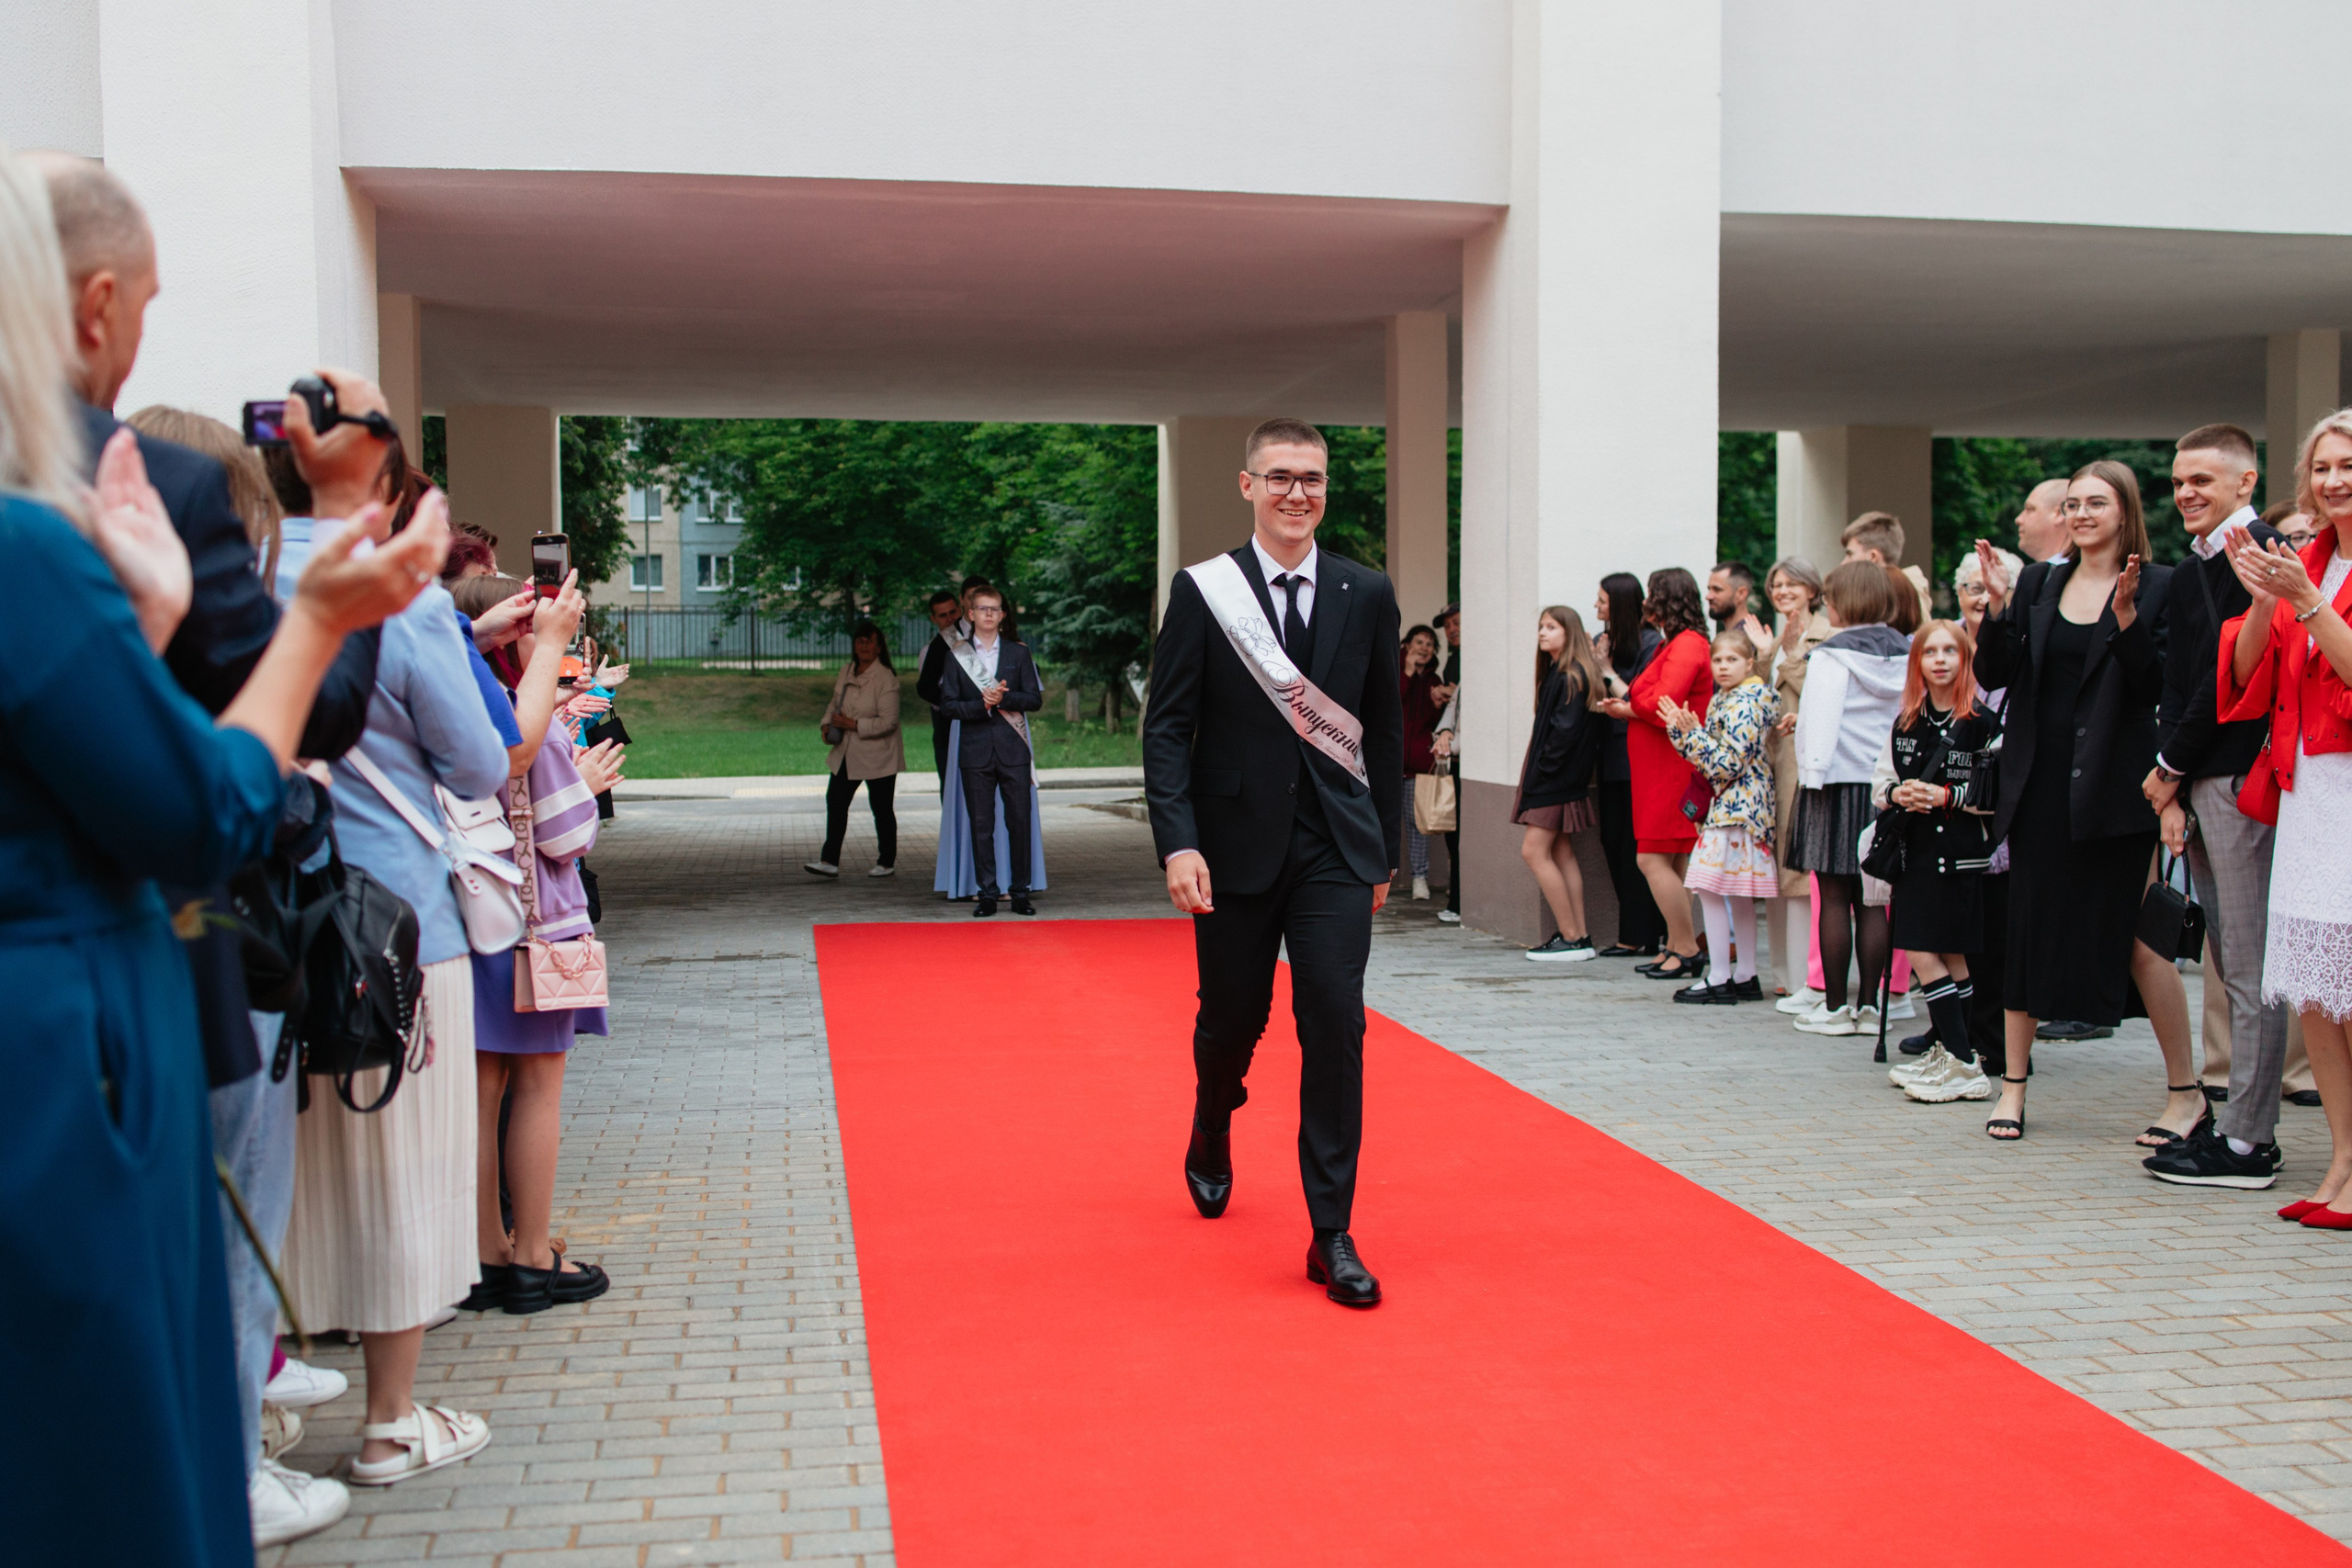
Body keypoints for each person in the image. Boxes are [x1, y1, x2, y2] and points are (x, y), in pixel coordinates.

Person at [0, 141, 453, 1564]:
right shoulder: (35, 543)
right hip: (69, 1040)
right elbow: (195, 802)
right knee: (105, 1429)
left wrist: (139, 634)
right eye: (143, 303)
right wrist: (321, 606)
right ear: (93, 307)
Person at [277, 374, 514, 1485]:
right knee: (401, 1161)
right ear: (376, 473)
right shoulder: (399, 598)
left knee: (281, 1161)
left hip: (265, 910)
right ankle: (388, 1417)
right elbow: (475, 759)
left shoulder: (232, 575)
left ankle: (264, 1399)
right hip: (392, 923)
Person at [1143, 416, 1403, 1307]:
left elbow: (1384, 731)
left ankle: (1330, 1231)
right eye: (1282, 476)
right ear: (1248, 485)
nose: (1300, 493)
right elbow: (1168, 727)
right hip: (1231, 848)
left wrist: (1387, 852)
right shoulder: (1205, 592)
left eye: (1314, 479)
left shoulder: (1364, 592)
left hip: (1333, 847)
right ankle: (1213, 1114)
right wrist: (1177, 840)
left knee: (1335, 1020)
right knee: (1232, 1021)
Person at [1972, 460, 2187, 1145]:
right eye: (2073, 503)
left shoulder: (2160, 585)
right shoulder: (2040, 580)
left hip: (2116, 789)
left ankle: (2186, 1092)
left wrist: (2123, 620)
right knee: (2027, 931)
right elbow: (1996, 675)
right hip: (2038, 783)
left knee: (2140, 939)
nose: (2084, 513)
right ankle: (2012, 1087)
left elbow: (2161, 686)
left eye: (2098, 502)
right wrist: (1999, 610)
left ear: (2125, 511)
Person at [445, 573, 620, 1314]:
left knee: (483, 1096)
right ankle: (531, 1252)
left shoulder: (455, 710)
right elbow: (564, 833)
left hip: (471, 921)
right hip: (538, 928)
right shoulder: (534, 722)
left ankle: (484, 1251)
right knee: (538, 1091)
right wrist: (581, 781)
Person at [2142, 426, 2295, 1188]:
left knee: (2250, 965)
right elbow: (2187, 675)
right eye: (2177, 482)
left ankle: (2248, 1143)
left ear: (2247, 481)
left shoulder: (2260, 554)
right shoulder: (2208, 559)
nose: (2186, 493)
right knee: (2233, 959)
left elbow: (2233, 684)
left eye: (2203, 479)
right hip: (2203, 781)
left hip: (2236, 779)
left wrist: (2169, 767)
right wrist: (2175, 785)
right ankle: (2236, 1130)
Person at [2219, 409, 2352, 1225]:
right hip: (2310, 795)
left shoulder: (2315, 576)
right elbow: (2243, 680)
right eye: (2325, 466)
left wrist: (2304, 601)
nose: (2336, 479)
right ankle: (2342, 1157)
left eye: (2350, 464)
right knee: (2316, 995)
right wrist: (2269, 602)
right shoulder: (2310, 558)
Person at [1874, 621, 2001, 1103]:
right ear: (1918, 662)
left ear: (1965, 659)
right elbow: (1878, 784)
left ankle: (1963, 1061)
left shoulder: (1985, 724)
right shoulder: (1905, 722)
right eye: (1931, 651)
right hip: (1914, 853)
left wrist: (1948, 796)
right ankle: (1955, 1056)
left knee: (1930, 951)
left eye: (1951, 650)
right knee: (1944, 955)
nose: (1941, 659)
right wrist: (1898, 793)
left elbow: (1998, 797)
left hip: (1962, 856)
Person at [1785, 562, 1910, 1036]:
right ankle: (1872, 1007)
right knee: (1875, 900)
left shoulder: (1832, 656)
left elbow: (1818, 723)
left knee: (1835, 897)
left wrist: (1811, 776)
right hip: (1886, 787)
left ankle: (1835, 1008)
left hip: (1835, 784)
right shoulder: (1909, 649)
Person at [1596, 567, 1712, 981]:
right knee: (1671, 860)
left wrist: (1630, 707)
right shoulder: (1672, 643)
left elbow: (1660, 700)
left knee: (1650, 858)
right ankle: (1676, 945)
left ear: (1666, 600)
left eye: (1653, 596)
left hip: (1670, 766)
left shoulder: (1688, 645)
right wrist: (1633, 704)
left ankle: (1684, 946)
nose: (1645, 604)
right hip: (1659, 764)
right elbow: (1643, 693)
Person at [1659, 627, 1781, 1003]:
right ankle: (1744, 975)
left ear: (1749, 663)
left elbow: (1726, 763)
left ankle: (1720, 976)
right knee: (1737, 894)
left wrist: (1691, 733)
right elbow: (1711, 756)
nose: (1723, 667)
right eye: (1718, 660)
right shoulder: (1728, 698)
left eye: (1731, 660)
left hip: (1736, 810)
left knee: (1710, 888)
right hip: (1738, 809)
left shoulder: (1743, 703)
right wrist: (1684, 732)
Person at [1950, 546, 2024, 1079]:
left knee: (1997, 930)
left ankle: (1996, 1041)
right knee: (1953, 925)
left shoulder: (2020, 639)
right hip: (1950, 801)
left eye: (1989, 587)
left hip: (2003, 802)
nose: (1980, 596)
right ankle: (1950, 1028)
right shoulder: (1945, 642)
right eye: (1970, 588)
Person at [935, 586, 1043, 915]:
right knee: (981, 824)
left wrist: (1004, 699)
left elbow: (1034, 700)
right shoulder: (957, 654)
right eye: (982, 609)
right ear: (971, 614)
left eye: (995, 609)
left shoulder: (1018, 654)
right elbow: (948, 705)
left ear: (1002, 615)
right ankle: (987, 893)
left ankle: (1020, 892)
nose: (988, 615)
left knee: (1019, 822)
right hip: (975, 750)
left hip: (1013, 751)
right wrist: (981, 704)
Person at [1515, 607, 1605, 961]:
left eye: (1551, 627)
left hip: (1554, 781)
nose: (1543, 632)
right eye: (1541, 626)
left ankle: (1571, 937)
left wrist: (1541, 770)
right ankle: (1579, 936)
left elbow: (1563, 737)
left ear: (1570, 632)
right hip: (1562, 780)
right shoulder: (1565, 674)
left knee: (1534, 851)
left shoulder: (1570, 677)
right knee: (1562, 851)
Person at [1762, 558, 1831, 1005]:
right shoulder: (1771, 638)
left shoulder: (1826, 633)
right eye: (1776, 584)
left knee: (1801, 871)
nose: (1782, 590)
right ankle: (1784, 973)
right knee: (1779, 871)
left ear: (1811, 588)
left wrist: (1787, 657)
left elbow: (1821, 693)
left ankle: (1813, 980)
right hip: (1773, 762)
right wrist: (1769, 653)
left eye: (1791, 583)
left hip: (1806, 765)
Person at [1591, 572, 1668, 955]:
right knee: (1613, 840)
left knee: (1630, 846)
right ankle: (1642, 931)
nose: (1596, 607)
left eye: (1602, 601)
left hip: (1637, 758)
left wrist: (1605, 669)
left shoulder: (1651, 643)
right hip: (1607, 757)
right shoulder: (1602, 640)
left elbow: (1641, 697)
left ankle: (1639, 934)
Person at [807, 618, 905, 878]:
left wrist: (852, 724)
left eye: (868, 641)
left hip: (879, 755)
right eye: (859, 641)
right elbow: (834, 703)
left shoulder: (886, 679)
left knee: (881, 807)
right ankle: (829, 860)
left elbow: (889, 722)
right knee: (836, 802)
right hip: (847, 752)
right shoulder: (846, 671)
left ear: (879, 647)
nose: (863, 646)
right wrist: (826, 725)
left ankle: (886, 861)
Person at [1398, 623, 1442, 900]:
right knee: (1379, 821)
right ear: (1407, 645)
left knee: (1417, 825)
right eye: (1419, 642)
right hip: (1388, 764)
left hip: (1417, 766)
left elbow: (1436, 722)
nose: (1424, 648)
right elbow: (1391, 701)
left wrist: (1439, 703)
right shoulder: (1395, 671)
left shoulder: (1434, 680)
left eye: (1429, 644)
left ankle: (1419, 879)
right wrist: (1408, 673)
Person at [1430, 602, 1464, 921]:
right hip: (1452, 754)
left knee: (1460, 830)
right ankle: (1456, 898)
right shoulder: (1451, 661)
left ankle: (1459, 901)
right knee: (1453, 830)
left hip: (1465, 755)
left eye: (1456, 622)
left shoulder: (1475, 658)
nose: (1451, 629)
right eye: (1448, 625)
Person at [1841, 510, 1934, 620]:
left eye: (1850, 554)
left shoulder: (1904, 599)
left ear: (1873, 557)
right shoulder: (1889, 596)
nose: (1843, 563)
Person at [912, 588, 963, 781]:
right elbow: (929, 692)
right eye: (943, 615)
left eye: (953, 612)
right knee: (950, 785)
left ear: (960, 610)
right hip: (946, 727)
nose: (949, 619)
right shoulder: (930, 651)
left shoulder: (972, 642)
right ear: (933, 619)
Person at [1707, 560, 1769, 647]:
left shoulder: (1752, 639)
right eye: (1709, 589)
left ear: (1741, 594)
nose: (1709, 596)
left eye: (1717, 590)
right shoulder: (1732, 636)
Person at [2015, 478, 2073, 563]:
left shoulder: (2079, 574)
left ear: (2059, 513)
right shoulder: (2038, 574)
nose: (2018, 520)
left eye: (2030, 509)